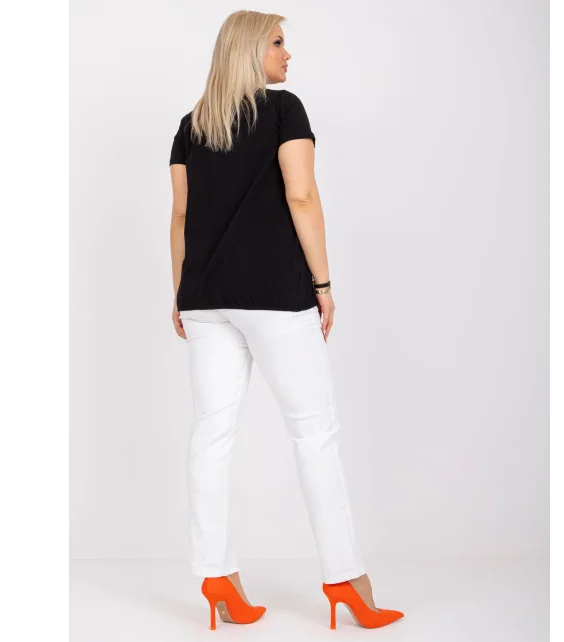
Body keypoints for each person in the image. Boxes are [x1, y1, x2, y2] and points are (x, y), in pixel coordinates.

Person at [168, 10, 404, 631]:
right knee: (313, 434)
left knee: (211, 435)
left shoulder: (191, 126)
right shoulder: (283, 110)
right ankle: (346, 579)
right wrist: (322, 284)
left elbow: (181, 216)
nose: (287, 54)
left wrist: (180, 292)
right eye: (277, 42)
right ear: (250, 50)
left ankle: (216, 573)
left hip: (205, 298)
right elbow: (301, 195)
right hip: (275, 294)